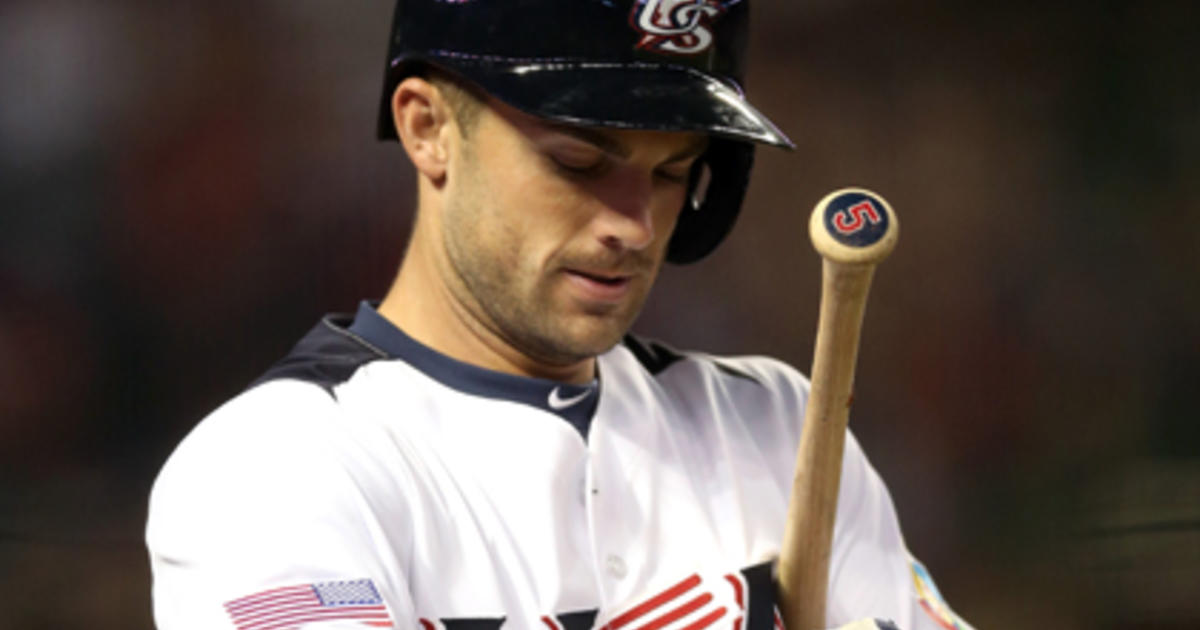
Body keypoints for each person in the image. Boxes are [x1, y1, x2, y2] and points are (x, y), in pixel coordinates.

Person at [146, 2, 974, 629]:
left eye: (672, 172)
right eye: (579, 161)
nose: (635, 224)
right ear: (428, 128)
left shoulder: (779, 427)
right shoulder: (270, 466)